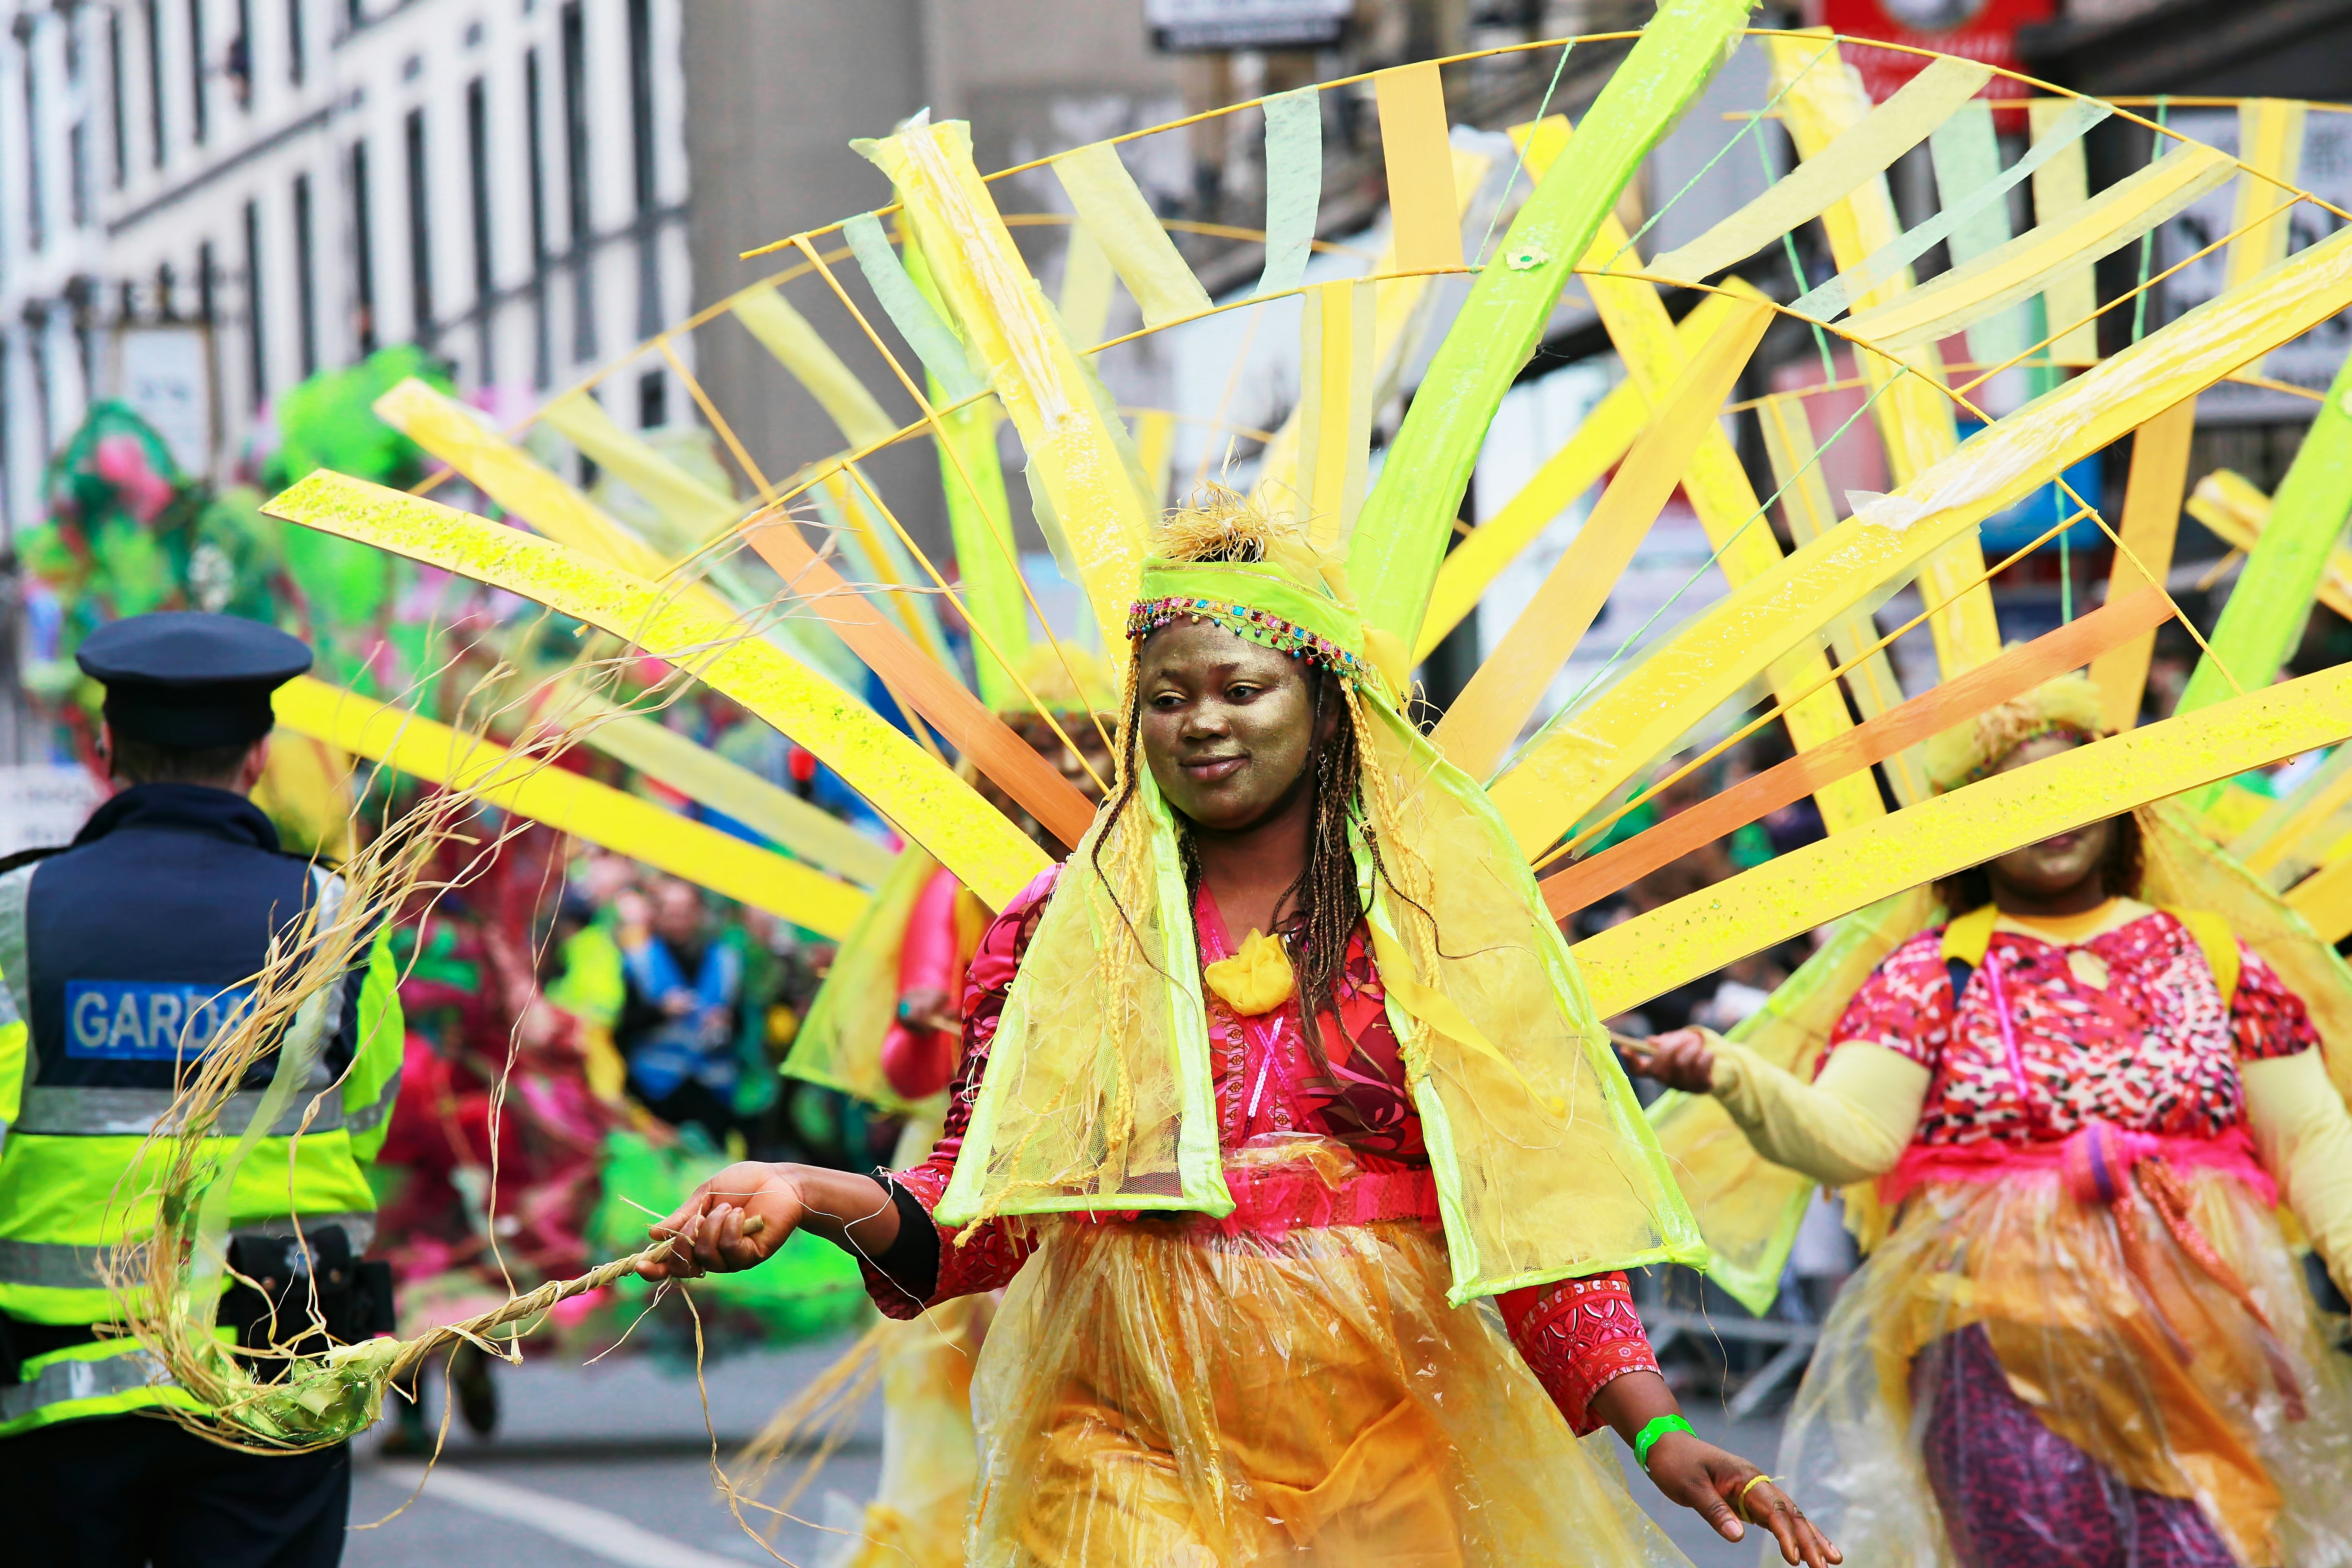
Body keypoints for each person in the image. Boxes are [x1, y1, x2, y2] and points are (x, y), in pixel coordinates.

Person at [647, 498, 1838, 1566]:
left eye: (1240, 688)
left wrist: (1660, 1426)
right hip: (1117, 1427)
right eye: (1167, 699)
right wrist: (804, 1190)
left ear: (1325, 707)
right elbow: (981, 1226)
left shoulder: (1431, 928)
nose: (1200, 724)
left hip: (1387, 1418)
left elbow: (1529, 1218)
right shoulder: (1060, 929)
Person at [1627, 674, 2352, 1568]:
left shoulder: (2211, 957)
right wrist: (1733, 1074)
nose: (2052, 818)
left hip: (2203, 1360)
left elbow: (2315, 1139)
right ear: (1973, 821)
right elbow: (1853, 1138)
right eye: (2018, 799)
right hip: (1995, 1358)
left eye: (2070, 790)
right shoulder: (1930, 973)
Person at [0, 611, 405, 1566]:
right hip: (270, 1376)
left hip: (53, 1390)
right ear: (259, 757)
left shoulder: (17, 914)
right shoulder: (336, 922)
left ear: (107, 751)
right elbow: (370, 1119)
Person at [616, 876, 754, 1145]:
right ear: (657, 913)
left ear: (700, 913)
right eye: (671, 911)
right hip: (654, 1090)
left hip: (712, 1091)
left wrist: (727, 1021)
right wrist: (658, 1012)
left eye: (686, 911)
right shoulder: (637, 960)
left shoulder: (728, 960)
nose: (679, 919)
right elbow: (620, 1028)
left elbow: (746, 1026)